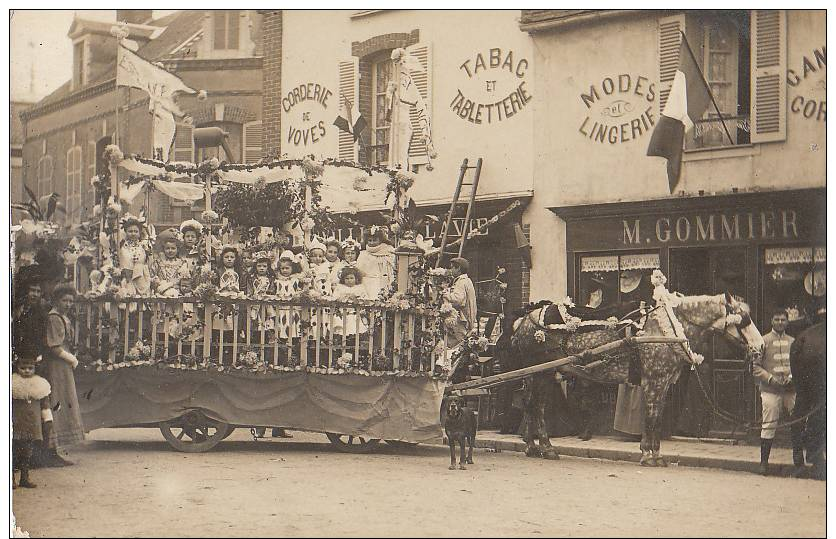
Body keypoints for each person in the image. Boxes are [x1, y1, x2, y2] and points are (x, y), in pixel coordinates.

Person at [41, 283, 85, 466]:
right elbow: (54, 346)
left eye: (70, 301)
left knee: (63, 401)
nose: (68, 304)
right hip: (57, 365)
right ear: (56, 300)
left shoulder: (63, 317)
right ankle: (50, 451)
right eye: (64, 300)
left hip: (63, 365)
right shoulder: (54, 318)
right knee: (57, 401)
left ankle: (55, 450)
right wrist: (71, 359)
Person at [752, 309, 798, 475]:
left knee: (797, 422)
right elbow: (755, 367)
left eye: (783, 320)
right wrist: (771, 379)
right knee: (769, 423)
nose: (780, 322)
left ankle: (798, 461)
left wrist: (792, 377)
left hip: (790, 390)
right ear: (771, 321)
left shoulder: (793, 342)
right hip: (770, 390)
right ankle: (764, 463)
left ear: (787, 322)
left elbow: (798, 365)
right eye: (777, 319)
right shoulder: (762, 341)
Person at [790, 300, 826, 480]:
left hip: (802, 358)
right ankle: (818, 459)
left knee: (802, 406)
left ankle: (798, 459)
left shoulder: (802, 337)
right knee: (820, 408)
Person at [12, 354, 53, 488]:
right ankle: (10, 478)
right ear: (17, 368)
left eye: (30, 368)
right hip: (16, 422)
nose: (27, 371)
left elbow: (45, 404)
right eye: (23, 368)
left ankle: (25, 477)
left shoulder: (40, 385)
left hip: (31, 423)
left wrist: (47, 418)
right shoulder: (12, 384)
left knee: (27, 451)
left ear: (35, 368)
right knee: (13, 450)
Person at [12, 264, 49, 363]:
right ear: (26, 291)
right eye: (32, 290)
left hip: (33, 358)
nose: (35, 294)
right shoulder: (17, 309)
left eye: (38, 291)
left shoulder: (41, 313)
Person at [443, 257, 478, 348]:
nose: (451, 270)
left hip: (461, 320)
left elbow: (458, 300)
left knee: (456, 346)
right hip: (466, 319)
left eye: (452, 268)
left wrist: (445, 294)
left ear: (458, 268)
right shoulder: (467, 281)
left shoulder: (461, 282)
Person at [356, 227, 396, 300]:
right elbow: (359, 270)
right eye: (369, 240)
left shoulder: (388, 251)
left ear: (380, 240)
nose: (372, 243)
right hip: (369, 283)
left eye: (374, 240)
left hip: (384, 281)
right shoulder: (363, 254)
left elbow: (392, 267)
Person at [118, 214, 152, 297]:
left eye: (136, 231)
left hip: (140, 278)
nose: (133, 234)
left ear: (140, 233)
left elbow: (149, 263)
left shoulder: (144, 246)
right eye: (130, 231)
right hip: (126, 278)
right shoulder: (121, 246)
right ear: (126, 232)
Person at [332, 267, 369, 339]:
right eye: (347, 278)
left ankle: (354, 341)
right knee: (342, 332)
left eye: (351, 278)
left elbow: (365, 300)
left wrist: (355, 299)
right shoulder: (340, 287)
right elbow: (335, 298)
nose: (349, 280)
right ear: (343, 279)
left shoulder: (360, 287)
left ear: (356, 279)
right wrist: (343, 297)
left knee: (356, 330)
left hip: (355, 313)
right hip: (343, 313)